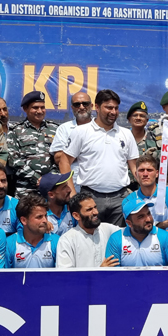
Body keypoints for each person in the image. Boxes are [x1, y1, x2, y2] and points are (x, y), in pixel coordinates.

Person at [60, 89, 138, 226]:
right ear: (96, 107)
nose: (113, 112)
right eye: (108, 107)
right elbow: (64, 161)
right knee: (89, 240)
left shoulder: (126, 133)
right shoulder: (81, 132)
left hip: (120, 199)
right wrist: (72, 194)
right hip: (90, 198)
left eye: (116, 108)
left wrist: (151, 189)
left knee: (119, 240)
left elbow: (134, 166)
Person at [7, 91, 58, 197]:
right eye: (35, 107)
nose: (39, 111)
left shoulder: (55, 129)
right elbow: (14, 161)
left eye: (42, 107)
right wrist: (36, 178)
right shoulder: (15, 130)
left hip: (51, 188)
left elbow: (59, 158)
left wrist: (49, 179)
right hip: (25, 189)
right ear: (25, 109)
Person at [104, 200, 168, 266]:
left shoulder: (166, 237)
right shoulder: (116, 239)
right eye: (141, 217)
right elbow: (113, 274)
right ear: (129, 223)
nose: (148, 219)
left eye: (148, 213)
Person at [56, 192, 121, 268]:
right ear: (76, 216)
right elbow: (66, 276)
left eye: (95, 207)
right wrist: (100, 271)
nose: (96, 212)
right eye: (89, 210)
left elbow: (130, 233)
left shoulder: (107, 229)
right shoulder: (67, 240)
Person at [122, 154, 168, 229]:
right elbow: (135, 230)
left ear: (157, 173)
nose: (145, 174)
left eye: (149, 170)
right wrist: (165, 231)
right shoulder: (129, 201)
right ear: (136, 174)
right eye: (141, 170)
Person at [50, 91, 94, 185]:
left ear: (92, 106)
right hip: (73, 185)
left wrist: (71, 154)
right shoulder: (64, 129)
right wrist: (88, 151)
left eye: (85, 104)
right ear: (72, 108)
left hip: (97, 185)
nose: (81, 107)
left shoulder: (101, 127)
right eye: (77, 104)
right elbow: (58, 158)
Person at [6, 193, 59, 268]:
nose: (45, 220)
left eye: (45, 216)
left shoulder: (57, 242)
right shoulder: (9, 244)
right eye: (39, 217)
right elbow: (4, 276)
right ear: (24, 220)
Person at [38, 171, 76, 236]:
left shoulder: (74, 209)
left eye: (67, 185)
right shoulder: (39, 215)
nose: (69, 190)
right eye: (64, 187)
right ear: (51, 194)